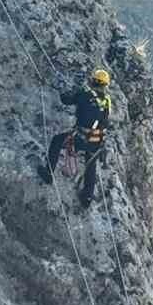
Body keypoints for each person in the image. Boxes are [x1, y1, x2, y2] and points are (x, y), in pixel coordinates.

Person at [43, 68, 112, 206]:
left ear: (92, 81)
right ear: (105, 85)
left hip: (81, 138)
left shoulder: (85, 95)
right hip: (97, 141)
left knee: (57, 141)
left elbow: (66, 100)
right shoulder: (107, 101)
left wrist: (62, 87)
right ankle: (87, 199)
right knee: (90, 165)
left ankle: (48, 174)